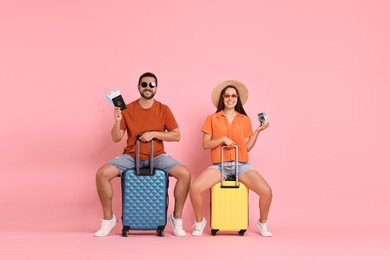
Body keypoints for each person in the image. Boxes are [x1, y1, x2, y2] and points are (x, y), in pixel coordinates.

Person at [94, 72, 191, 237]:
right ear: (138, 87)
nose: (148, 87)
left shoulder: (163, 109)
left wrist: (154, 133)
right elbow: (116, 138)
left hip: (157, 156)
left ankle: (176, 219)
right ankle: (108, 219)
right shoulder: (128, 109)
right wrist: (117, 120)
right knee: (102, 173)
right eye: (144, 84)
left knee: (185, 173)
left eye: (151, 85)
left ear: (156, 88)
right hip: (132, 156)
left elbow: (176, 135)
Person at [189, 80, 273, 237]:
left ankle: (262, 223)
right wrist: (221, 139)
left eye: (233, 95)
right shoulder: (212, 118)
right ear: (222, 98)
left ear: (237, 99)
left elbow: (246, 147)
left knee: (266, 191)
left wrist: (258, 131)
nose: (230, 98)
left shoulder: (244, 119)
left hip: (240, 165)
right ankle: (200, 222)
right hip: (219, 165)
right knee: (194, 189)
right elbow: (205, 145)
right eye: (226, 95)